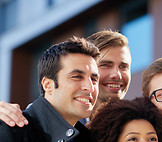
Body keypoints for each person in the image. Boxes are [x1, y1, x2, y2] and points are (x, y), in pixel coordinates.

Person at [0, 29, 131, 127]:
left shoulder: (134, 126)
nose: (117, 74)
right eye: (106, 65)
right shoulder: (28, 123)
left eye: (124, 66)